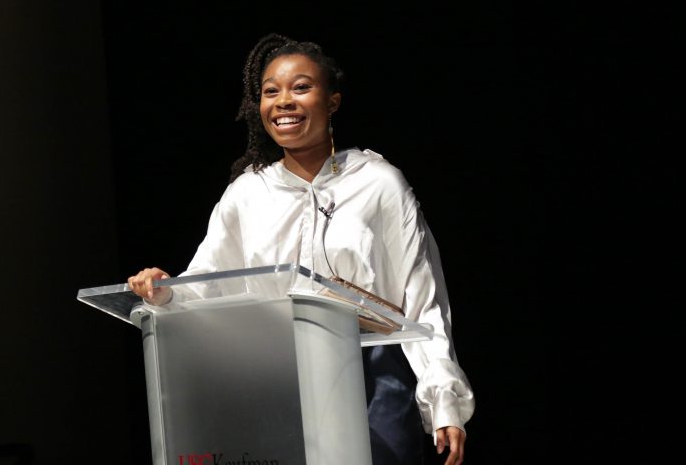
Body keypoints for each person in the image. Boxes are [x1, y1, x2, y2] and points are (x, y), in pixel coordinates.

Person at [127, 33, 474, 465]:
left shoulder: (378, 182)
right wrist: (163, 290)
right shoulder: (247, 193)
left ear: (332, 102)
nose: (283, 101)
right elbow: (206, 286)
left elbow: (423, 297)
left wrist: (443, 398)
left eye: (301, 87)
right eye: (271, 91)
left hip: (370, 372)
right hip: (275, 377)